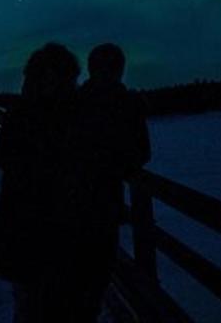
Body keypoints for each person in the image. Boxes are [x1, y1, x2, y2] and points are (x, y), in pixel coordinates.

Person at [0, 43, 81, 323]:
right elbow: (7, 158)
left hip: (41, 232)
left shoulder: (25, 113)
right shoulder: (42, 116)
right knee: (37, 304)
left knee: (41, 304)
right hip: (38, 230)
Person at [67, 42, 151, 322]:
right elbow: (141, 153)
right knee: (98, 273)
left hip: (72, 202)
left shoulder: (74, 102)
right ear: (119, 69)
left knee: (78, 277)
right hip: (105, 204)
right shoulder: (127, 103)